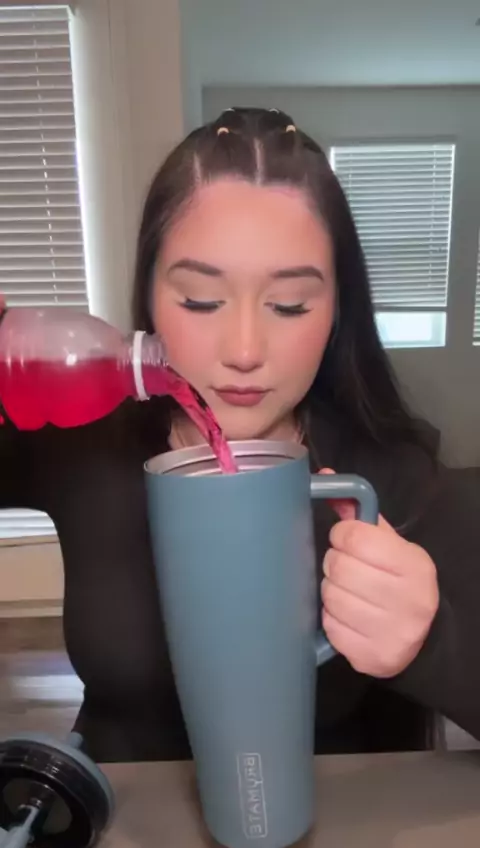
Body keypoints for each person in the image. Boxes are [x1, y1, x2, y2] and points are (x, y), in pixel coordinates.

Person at [1, 106, 479, 762]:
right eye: (201, 301)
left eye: (289, 305)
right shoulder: (81, 440)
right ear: (149, 296)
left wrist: (431, 644)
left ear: (337, 311)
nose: (245, 351)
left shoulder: (392, 476)